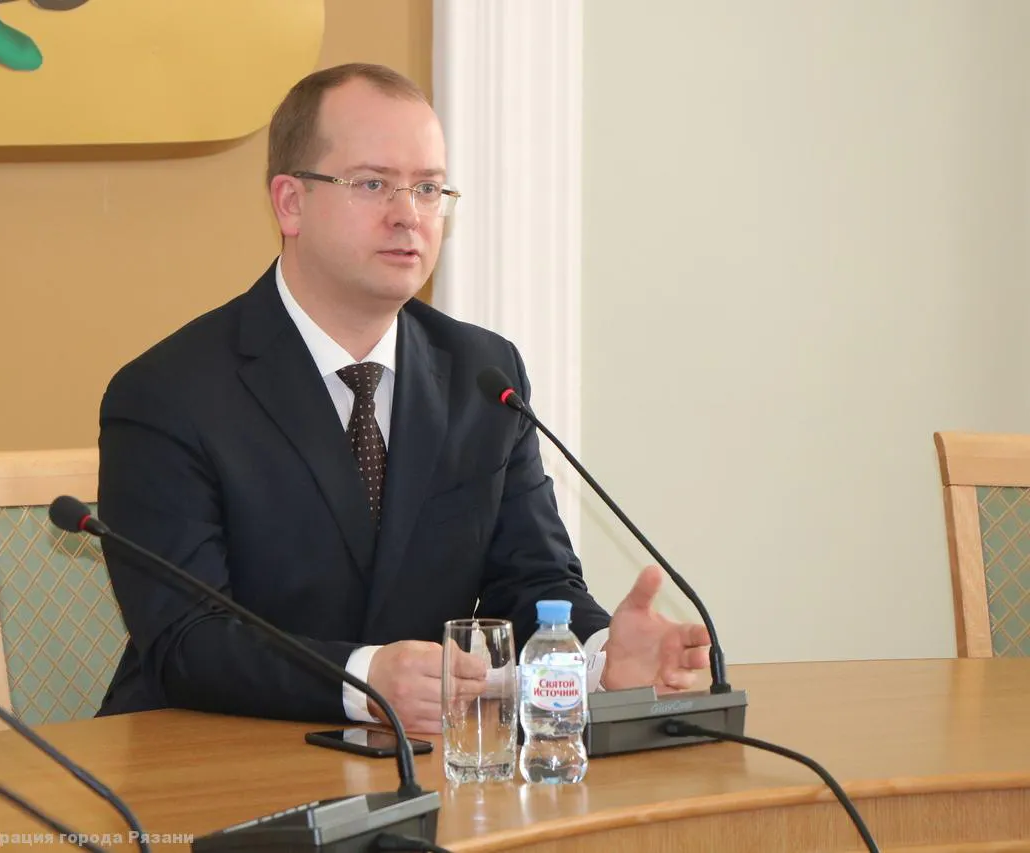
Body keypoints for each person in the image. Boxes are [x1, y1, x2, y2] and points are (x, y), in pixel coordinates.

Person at [95, 62, 711, 733]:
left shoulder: (483, 375)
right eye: (372, 184)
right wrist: (362, 679)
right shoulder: (168, 393)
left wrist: (600, 658)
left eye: (427, 188)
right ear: (290, 202)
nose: (408, 215)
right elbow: (188, 639)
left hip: (419, 763)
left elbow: (533, 581)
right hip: (207, 756)